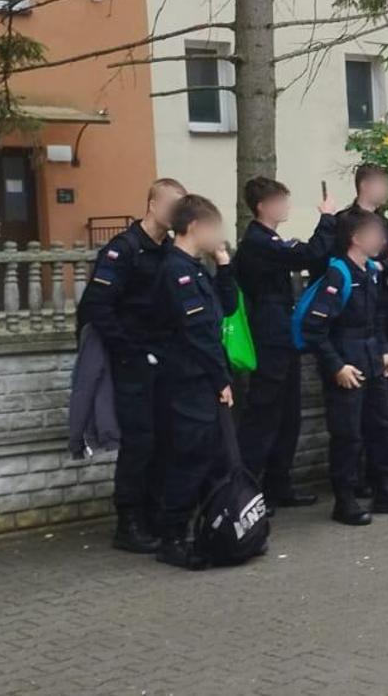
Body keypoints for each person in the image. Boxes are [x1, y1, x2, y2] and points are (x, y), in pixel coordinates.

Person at [77, 178, 186, 554]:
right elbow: (95, 306)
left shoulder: (170, 252)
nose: (176, 214)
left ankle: (155, 514)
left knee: (163, 439)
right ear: (152, 204)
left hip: (165, 359)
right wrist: (128, 350)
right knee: (139, 442)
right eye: (172, 205)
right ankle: (129, 522)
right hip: (134, 362)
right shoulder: (123, 250)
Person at [301, 208, 388, 525]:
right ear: (356, 238)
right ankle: (345, 500)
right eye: (375, 234)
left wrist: (383, 350)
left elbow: (377, 317)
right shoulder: (337, 275)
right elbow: (314, 329)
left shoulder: (371, 270)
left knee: (381, 427)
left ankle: (385, 490)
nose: (382, 240)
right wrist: (336, 367)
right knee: (347, 435)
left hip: (371, 360)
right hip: (347, 365)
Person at [145, 194, 238, 570]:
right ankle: (172, 539)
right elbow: (199, 334)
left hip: (201, 380)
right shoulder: (176, 272)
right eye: (214, 228)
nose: (219, 235)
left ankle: (213, 531)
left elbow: (226, 308)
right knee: (189, 460)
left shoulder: (196, 268)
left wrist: (224, 264)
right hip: (187, 382)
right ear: (196, 227)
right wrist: (222, 380)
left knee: (212, 458)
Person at [232, 177, 337, 508]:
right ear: (263, 206)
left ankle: (279, 485)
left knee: (288, 416)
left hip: (284, 338)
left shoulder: (271, 240)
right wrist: (327, 218)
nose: (286, 207)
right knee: (263, 417)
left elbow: (315, 257)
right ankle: (247, 491)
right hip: (268, 340)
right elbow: (309, 254)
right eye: (281, 201)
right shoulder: (257, 243)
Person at [347, 164, 388, 496]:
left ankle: (381, 471)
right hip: (357, 328)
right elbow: (354, 266)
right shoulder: (349, 221)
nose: (387, 191)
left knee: (387, 403)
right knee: (359, 410)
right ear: (366, 185)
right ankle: (357, 477)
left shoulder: (384, 222)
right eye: (383, 185)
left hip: (384, 320)